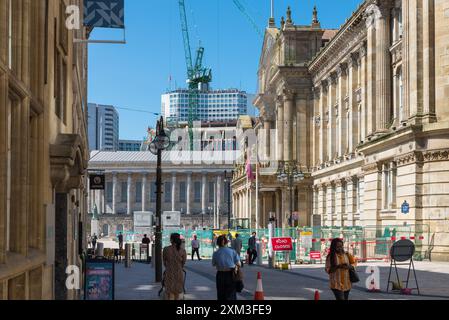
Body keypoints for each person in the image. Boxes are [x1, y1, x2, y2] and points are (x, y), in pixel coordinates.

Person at [212, 235, 241, 301]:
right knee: (231, 294)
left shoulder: (215, 253)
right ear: (226, 242)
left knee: (221, 293)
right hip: (230, 274)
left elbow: (213, 264)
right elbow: (238, 263)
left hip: (220, 275)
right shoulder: (232, 251)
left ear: (217, 243)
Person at [162, 233, 187, 300]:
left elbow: (164, 262)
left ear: (171, 240)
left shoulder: (166, 249)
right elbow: (183, 262)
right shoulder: (182, 251)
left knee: (169, 293)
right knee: (177, 293)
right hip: (179, 273)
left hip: (169, 273)